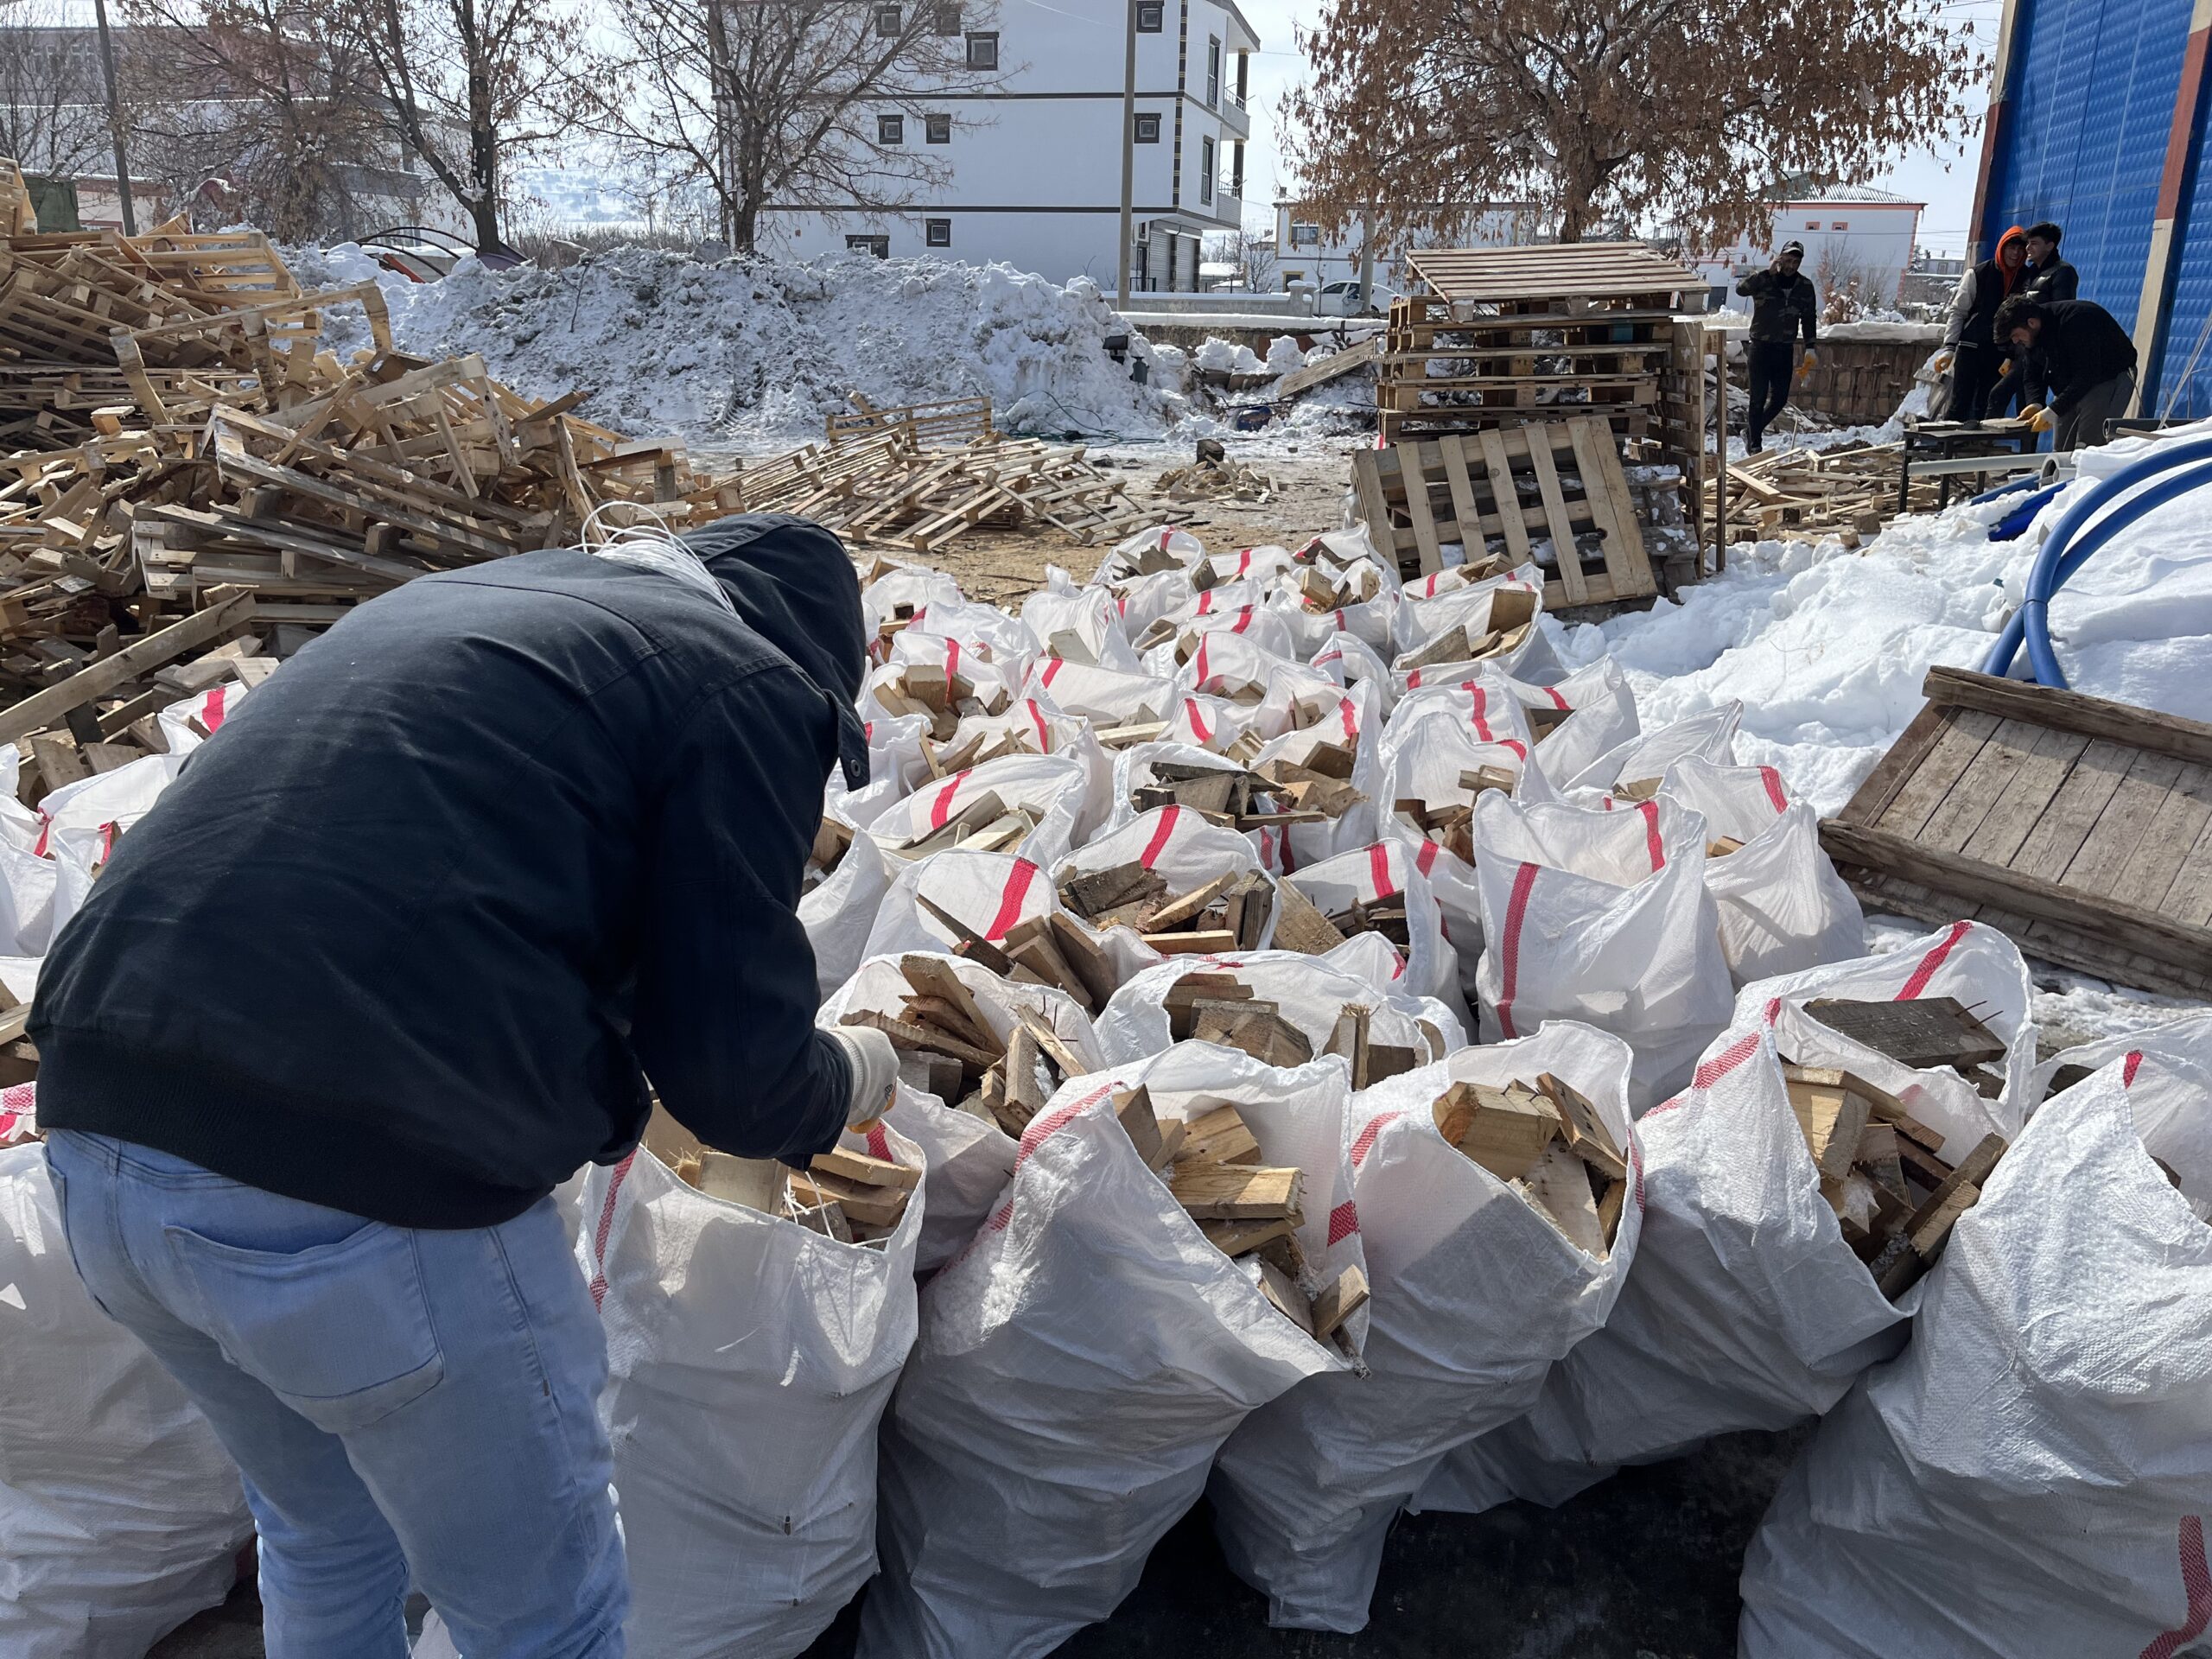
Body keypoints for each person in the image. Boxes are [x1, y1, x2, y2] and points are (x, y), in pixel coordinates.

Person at [29, 514, 900, 1657]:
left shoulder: (481, 608)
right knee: (545, 1618)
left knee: (325, 1538)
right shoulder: (745, 682)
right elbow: (733, 1077)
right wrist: (856, 1075)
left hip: (98, 1134)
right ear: (810, 659)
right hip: (357, 1186)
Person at [1995, 293, 2139, 449]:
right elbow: (2032, 373)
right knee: (2062, 448)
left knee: (2089, 445)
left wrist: (2053, 410)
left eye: (2015, 335)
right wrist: (2035, 403)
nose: (2015, 341)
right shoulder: (2033, 335)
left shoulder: (2076, 321)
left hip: (2107, 377)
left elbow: (2087, 374)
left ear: (2032, 323)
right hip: (2073, 382)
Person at [1735, 239, 1821, 452]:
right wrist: (1766, 273)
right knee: (1757, 398)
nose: (1792, 266)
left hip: (1784, 349)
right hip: (1760, 348)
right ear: (1780, 258)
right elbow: (1740, 290)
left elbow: (1809, 317)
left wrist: (1810, 346)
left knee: (1780, 398)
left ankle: (1751, 431)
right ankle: (1755, 444)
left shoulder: (1805, 286)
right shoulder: (1764, 280)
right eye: (1789, 260)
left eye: (1796, 262)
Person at [1936, 225, 2026, 422]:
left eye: (2021, 249)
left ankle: (1978, 449)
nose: (2016, 253)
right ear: (2002, 247)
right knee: (1960, 403)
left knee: (1986, 405)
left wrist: (2013, 353)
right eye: (2012, 247)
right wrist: (1949, 347)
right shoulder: (1978, 274)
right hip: (1971, 348)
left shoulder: (2026, 279)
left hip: (2000, 353)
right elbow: (1958, 311)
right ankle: (1948, 446)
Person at [2015, 220, 2077, 408]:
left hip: (2048, 348)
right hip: (2030, 346)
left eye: (2034, 243)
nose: (2028, 248)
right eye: (2028, 243)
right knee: (2028, 402)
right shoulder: (2030, 273)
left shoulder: (2063, 272)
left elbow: (2060, 311)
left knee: (2060, 401)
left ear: (2050, 246)